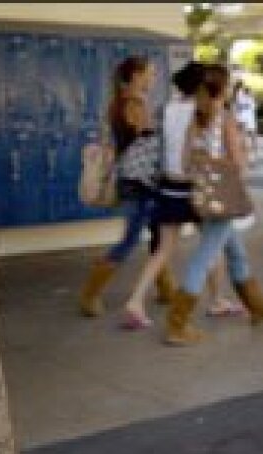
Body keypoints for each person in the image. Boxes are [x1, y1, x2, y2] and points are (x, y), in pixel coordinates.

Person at [166, 64, 263, 346]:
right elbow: (238, 163)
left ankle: (258, 307)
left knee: (236, 253)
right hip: (224, 199)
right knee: (202, 258)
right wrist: (233, 158)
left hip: (204, 197)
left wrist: (205, 164)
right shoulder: (226, 119)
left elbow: (184, 163)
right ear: (222, 89)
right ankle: (177, 324)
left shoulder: (197, 119)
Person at [79, 56, 177, 318]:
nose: (153, 78)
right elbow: (148, 138)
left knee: (159, 235)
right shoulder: (133, 104)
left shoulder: (120, 102)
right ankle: (90, 294)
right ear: (136, 75)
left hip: (140, 181)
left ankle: (166, 287)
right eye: (150, 73)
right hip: (140, 182)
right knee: (131, 239)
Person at [116, 61, 205, 329]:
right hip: (190, 186)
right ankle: (200, 307)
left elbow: (156, 142)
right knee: (214, 244)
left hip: (167, 185)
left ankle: (135, 300)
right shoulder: (199, 112)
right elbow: (193, 151)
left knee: (164, 249)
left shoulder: (165, 109)